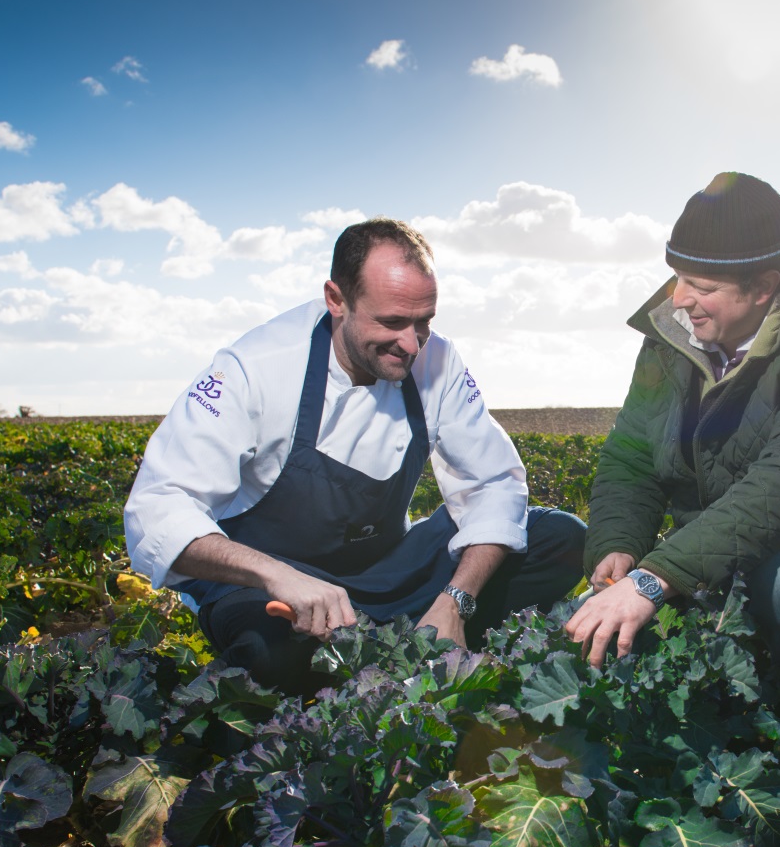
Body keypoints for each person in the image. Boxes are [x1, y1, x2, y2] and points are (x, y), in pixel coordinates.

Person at [125, 218, 586, 692]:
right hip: (269, 589)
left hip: (383, 573)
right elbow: (157, 508)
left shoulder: (438, 360)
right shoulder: (254, 369)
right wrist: (277, 575)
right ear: (336, 300)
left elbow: (493, 484)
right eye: (391, 322)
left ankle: (436, 631)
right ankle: (391, 656)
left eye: (424, 321)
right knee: (268, 657)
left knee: (560, 537)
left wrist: (456, 599)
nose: (411, 344)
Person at [566, 173, 780, 670]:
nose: (679, 298)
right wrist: (616, 546)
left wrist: (654, 578)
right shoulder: (669, 342)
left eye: (702, 286)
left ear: (764, 287)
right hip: (706, 558)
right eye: (677, 276)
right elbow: (632, 458)